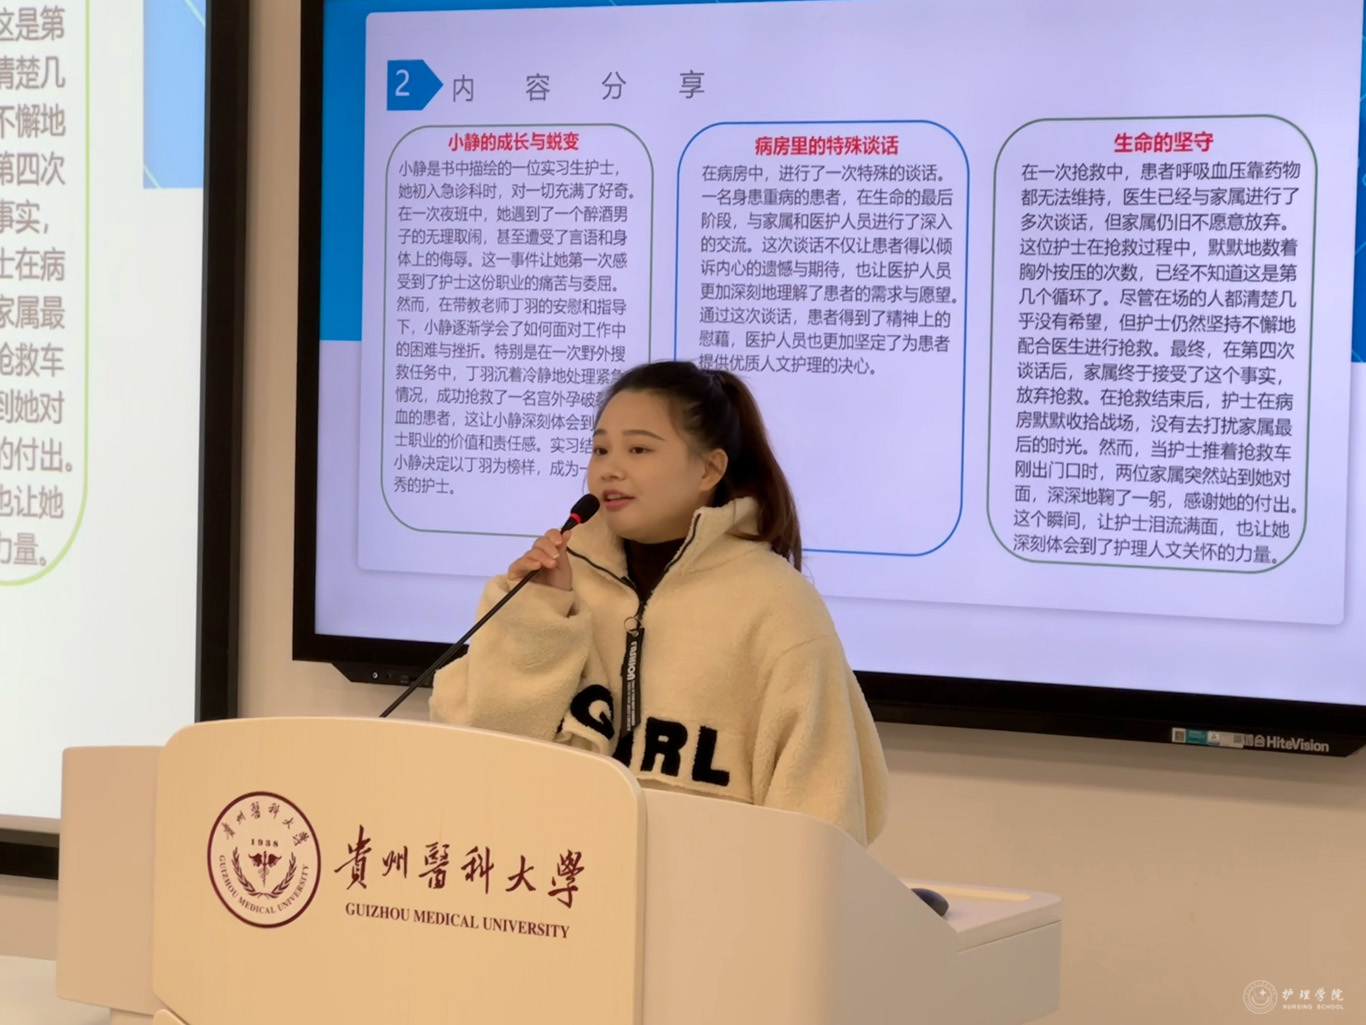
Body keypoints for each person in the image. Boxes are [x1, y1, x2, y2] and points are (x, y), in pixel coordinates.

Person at [431, 361, 888, 845]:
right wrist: (537, 616)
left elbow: (823, 806)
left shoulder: (777, 603)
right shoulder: (557, 583)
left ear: (709, 469)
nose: (610, 468)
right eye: (600, 449)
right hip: (562, 876)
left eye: (639, 449)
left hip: (714, 884)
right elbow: (487, 754)